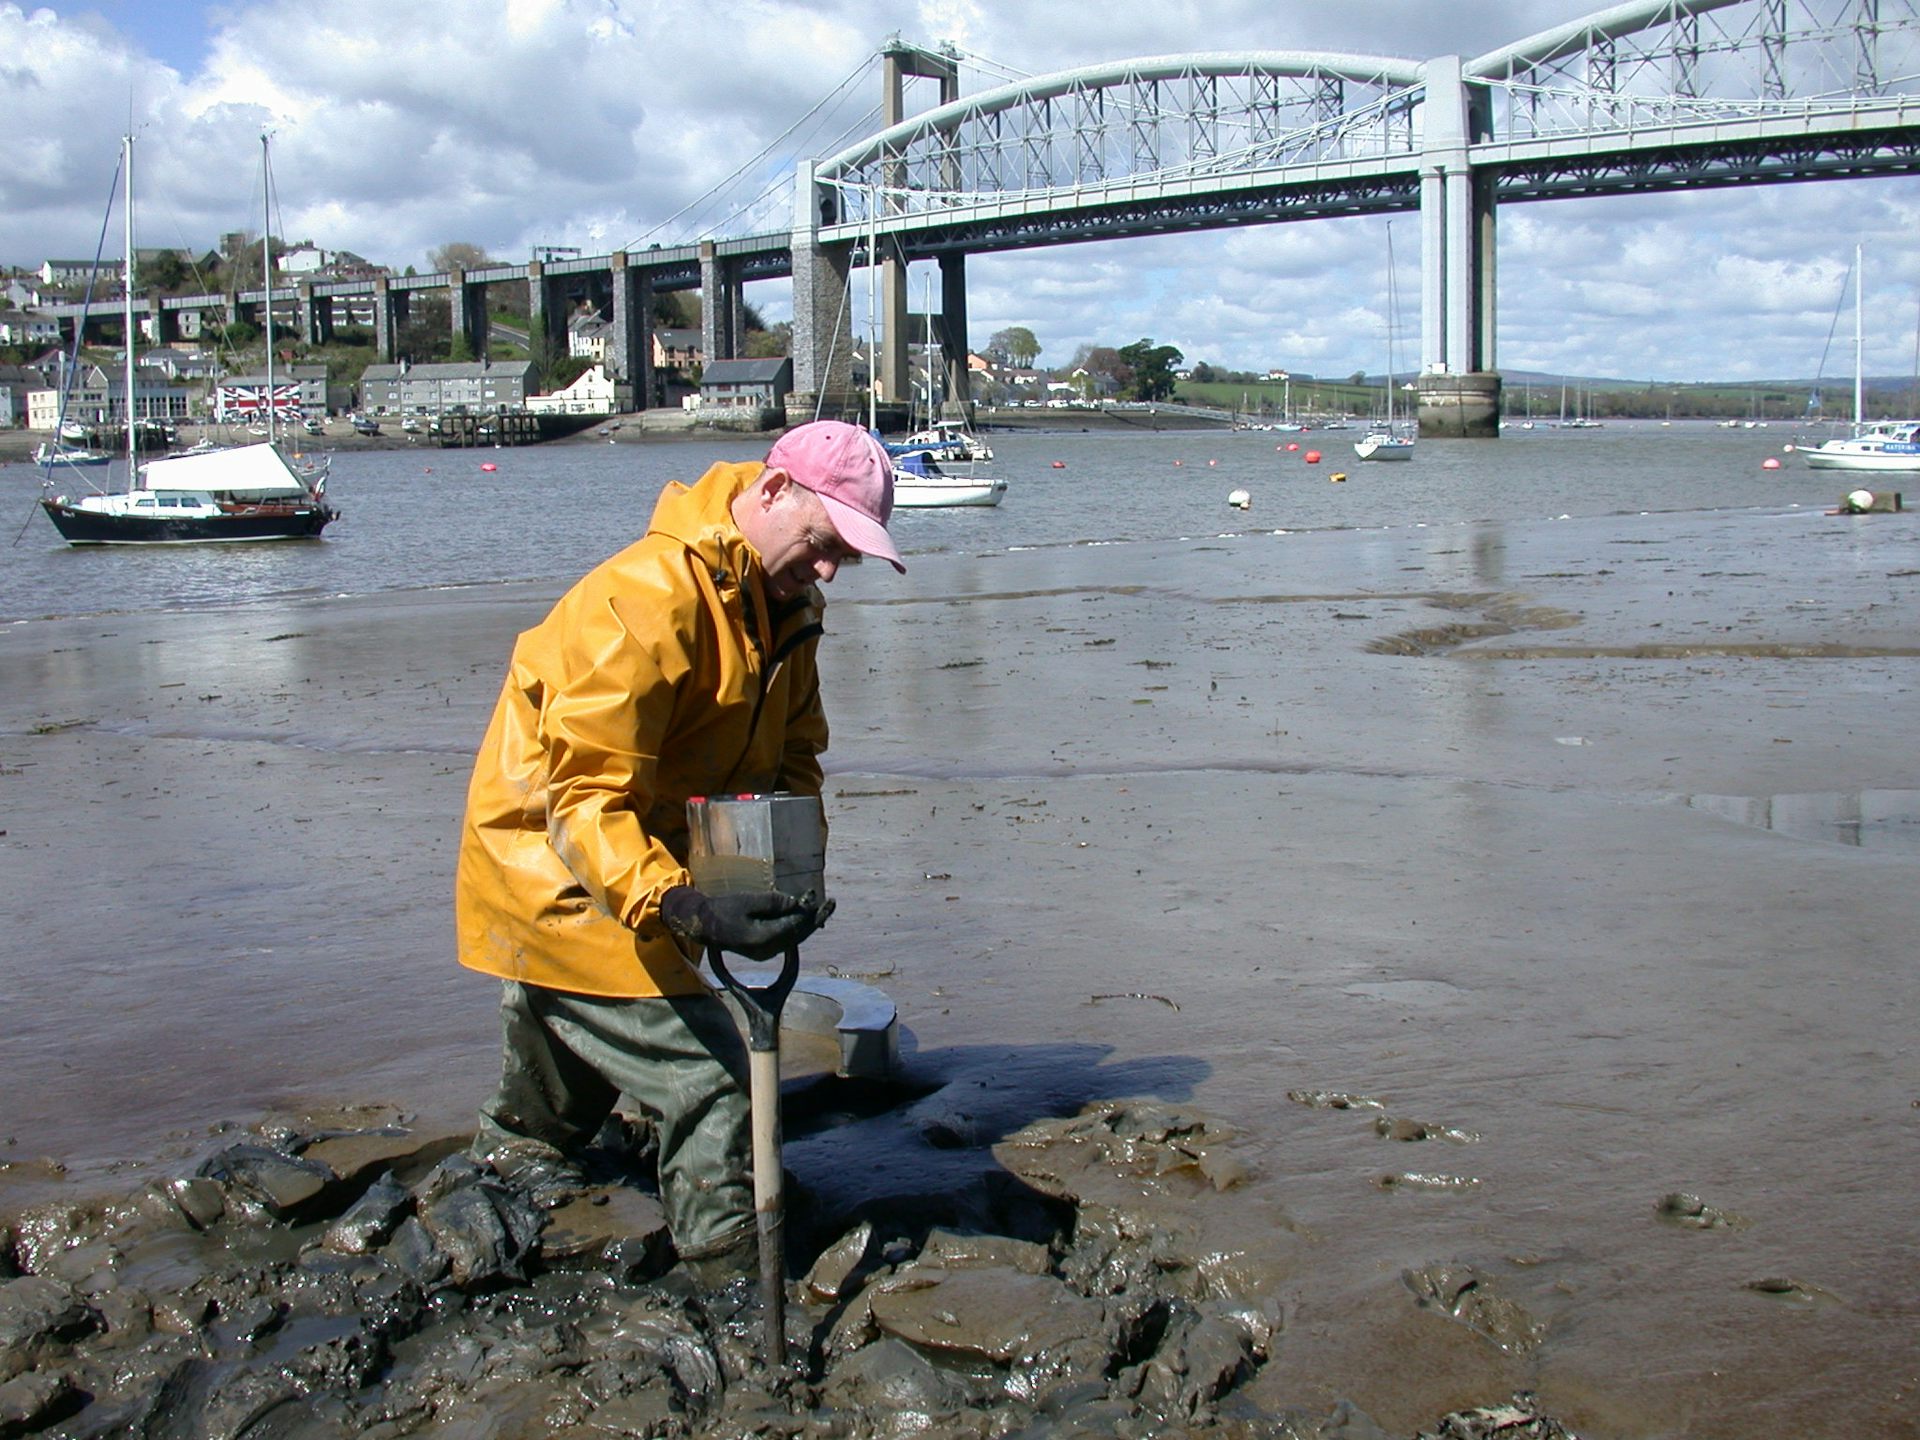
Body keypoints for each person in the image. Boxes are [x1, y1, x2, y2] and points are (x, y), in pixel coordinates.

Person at [454, 419, 904, 1277]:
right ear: (772, 494)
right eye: (822, 544)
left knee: (556, 1087)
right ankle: (729, 1263)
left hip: (641, 867)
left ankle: (510, 1162)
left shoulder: (788, 607)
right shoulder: (643, 601)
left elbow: (792, 755)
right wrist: (684, 902)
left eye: (843, 557)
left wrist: (787, 875)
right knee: (712, 1082)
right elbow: (582, 799)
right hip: (558, 875)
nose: (825, 571)